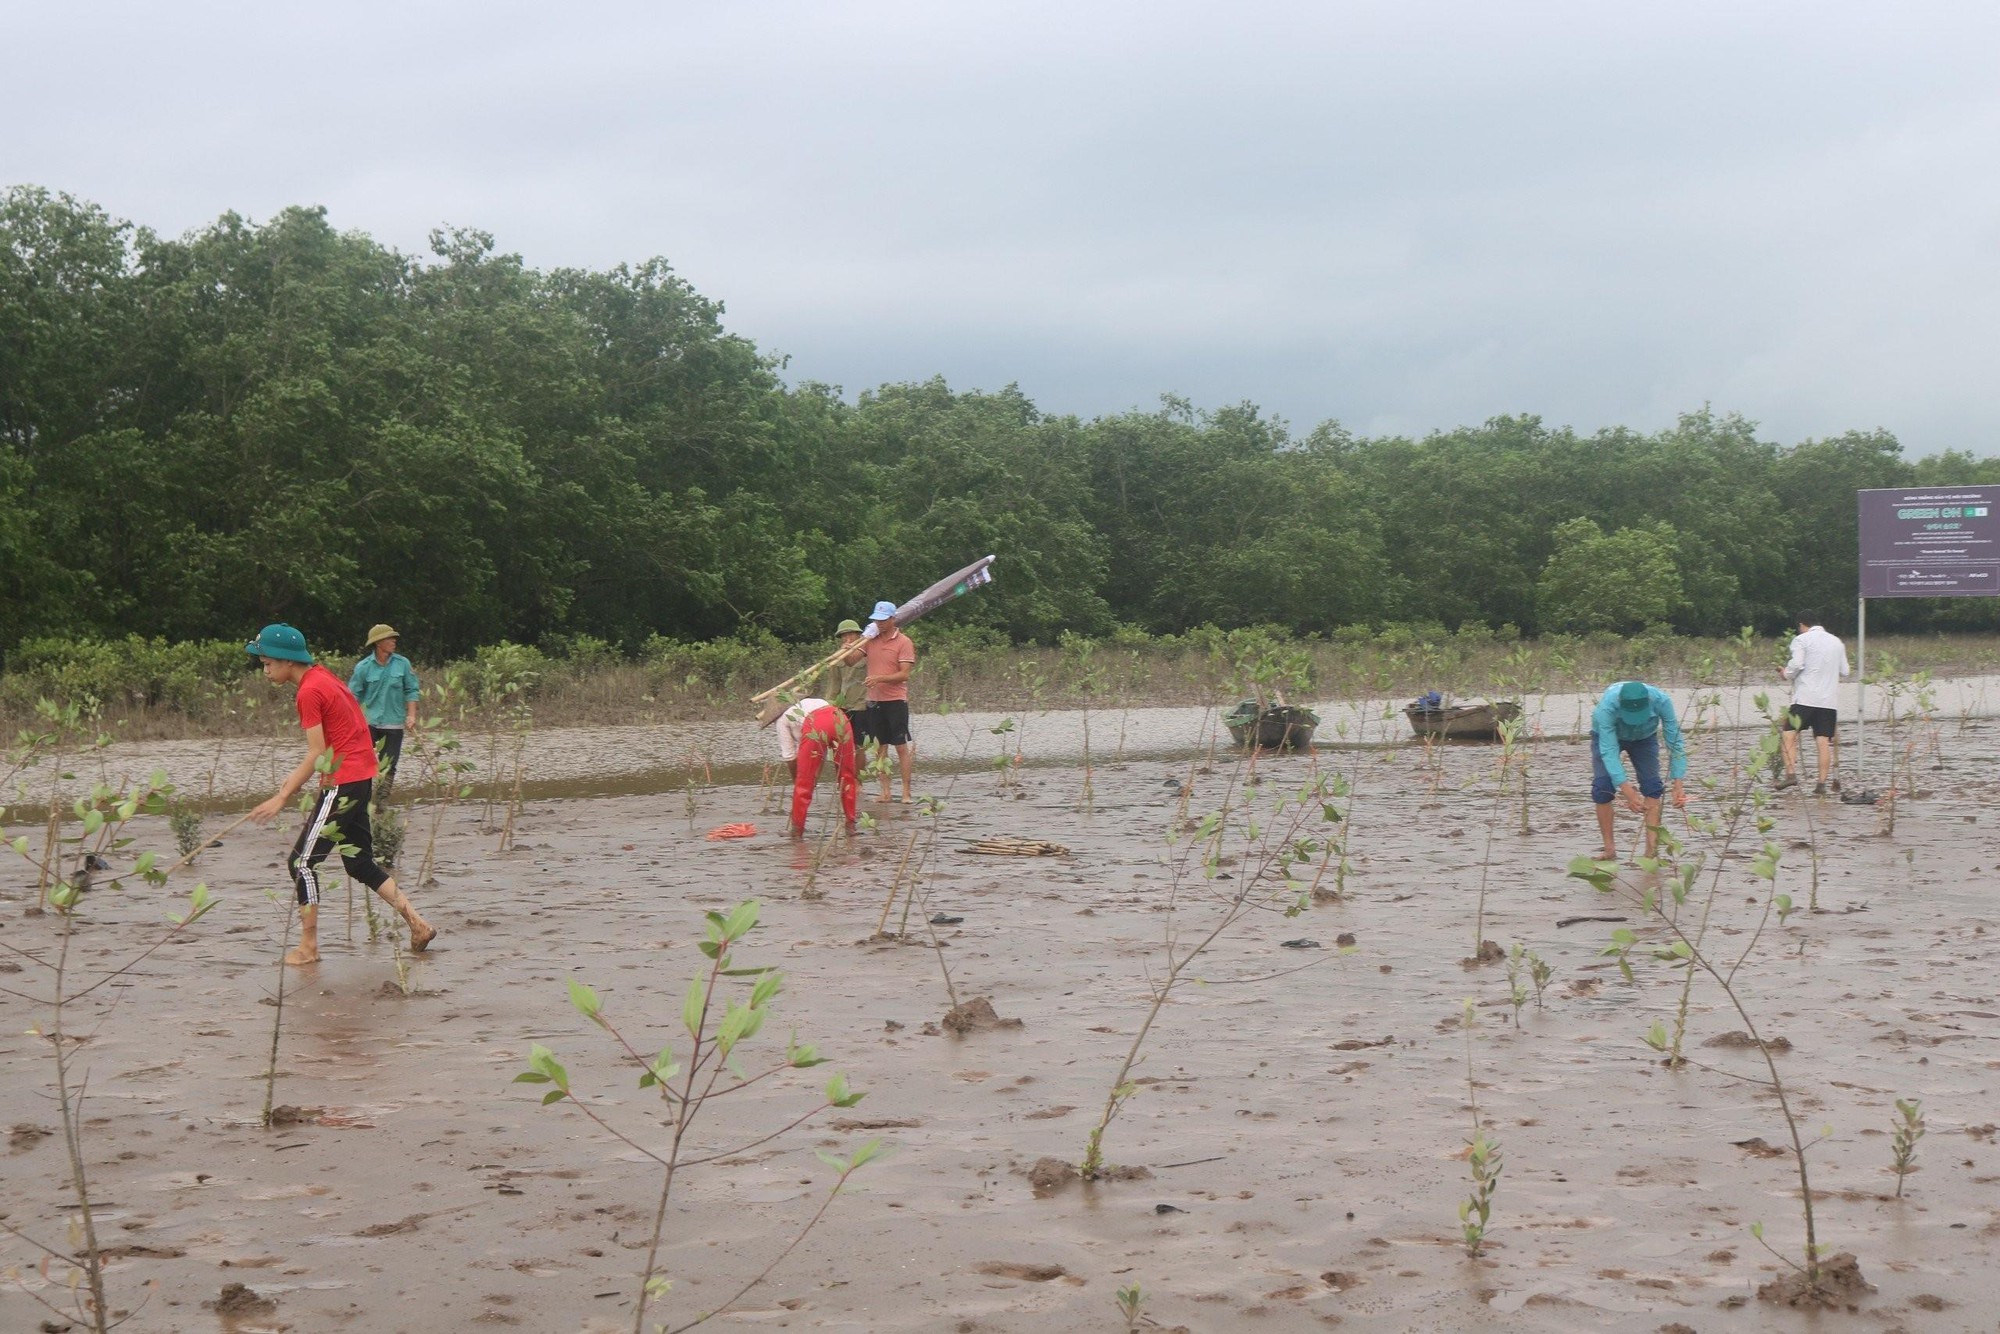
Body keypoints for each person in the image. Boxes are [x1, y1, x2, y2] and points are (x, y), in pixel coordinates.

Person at [245, 623, 435, 966]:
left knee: (301, 862)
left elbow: (317, 752)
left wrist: (282, 795)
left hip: (343, 781)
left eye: (267, 662)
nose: (265, 670)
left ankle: (309, 947)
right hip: (360, 777)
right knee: (360, 864)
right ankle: (418, 924)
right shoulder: (322, 677)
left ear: (287, 660)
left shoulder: (308, 691)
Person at [1590, 679, 1690, 862]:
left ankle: (1651, 852)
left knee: (1653, 787)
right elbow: (1609, 751)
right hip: (1608, 736)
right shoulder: (1606, 709)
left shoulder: (1662, 701)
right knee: (1602, 788)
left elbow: (1674, 740)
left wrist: (1678, 782)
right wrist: (1626, 789)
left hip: (1645, 738)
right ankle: (1609, 849)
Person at [1777, 611, 1850, 795]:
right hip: (1828, 701)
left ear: (1801, 625)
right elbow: (1846, 671)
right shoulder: (1836, 642)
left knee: (1788, 735)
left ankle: (1791, 774)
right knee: (1823, 742)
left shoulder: (1802, 640)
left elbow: (1797, 664)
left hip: (1805, 698)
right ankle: (1821, 785)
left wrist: (1785, 673)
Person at [349, 623, 421, 796]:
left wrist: (411, 716)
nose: (394, 641)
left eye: (393, 637)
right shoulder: (363, 667)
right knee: (364, 765)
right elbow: (352, 697)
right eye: (389, 638)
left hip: (394, 724)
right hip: (368, 724)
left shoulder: (402, 664)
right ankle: (363, 802)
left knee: (389, 766)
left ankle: (381, 805)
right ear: (378, 642)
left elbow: (411, 690)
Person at [776, 695, 859, 837]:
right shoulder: (813, 702)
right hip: (839, 717)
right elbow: (822, 751)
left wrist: (798, 782)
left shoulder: (782, 720)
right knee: (847, 776)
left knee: (803, 783)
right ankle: (850, 826)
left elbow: (790, 758)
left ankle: (797, 830)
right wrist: (814, 777)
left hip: (816, 722)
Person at [861, 600, 917, 802]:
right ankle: (885, 792)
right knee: (879, 747)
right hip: (873, 701)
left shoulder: (904, 642)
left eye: (884, 620)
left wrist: (879, 678)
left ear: (893, 619)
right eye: (877, 620)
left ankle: (905, 792)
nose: (880, 623)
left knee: (901, 746)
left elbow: (904, 674)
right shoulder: (869, 639)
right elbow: (850, 660)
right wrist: (850, 646)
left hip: (895, 700)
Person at [828, 618, 875, 763]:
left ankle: (858, 783)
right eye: (844, 635)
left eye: (851, 634)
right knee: (841, 745)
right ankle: (844, 781)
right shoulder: (837, 658)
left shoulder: (868, 653)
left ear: (859, 635)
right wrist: (830, 707)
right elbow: (834, 686)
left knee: (860, 746)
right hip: (844, 707)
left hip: (862, 707)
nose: (848, 638)